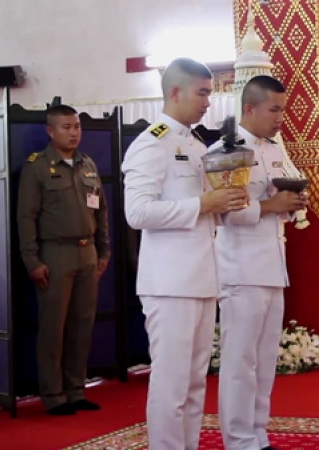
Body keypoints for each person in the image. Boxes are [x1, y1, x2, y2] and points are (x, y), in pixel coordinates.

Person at [121, 57, 248, 450]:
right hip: (170, 281)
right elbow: (137, 213)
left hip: (201, 276)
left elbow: (202, 208)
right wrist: (203, 204)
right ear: (175, 92)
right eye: (203, 92)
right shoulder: (151, 142)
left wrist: (223, 205)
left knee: (194, 383)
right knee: (171, 383)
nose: (209, 102)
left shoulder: (195, 143)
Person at [211, 75, 307, 450]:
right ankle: (238, 439)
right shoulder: (228, 150)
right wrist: (272, 206)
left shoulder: (273, 149)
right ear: (249, 109)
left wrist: (291, 203)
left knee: (265, 360)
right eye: (274, 109)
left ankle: (258, 433)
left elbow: (278, 194)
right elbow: (225, 211)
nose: (281, 117)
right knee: (240, 362)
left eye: (282, 108)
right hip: (240, 268)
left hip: (271, 265)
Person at [16, 104, 111, 415]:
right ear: (50, 131)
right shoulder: (38, 167)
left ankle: (76, 390)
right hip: (54, 254)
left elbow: (101, 211)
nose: (73, 133)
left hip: (87, 253)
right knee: (53, 329)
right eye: (66, 127)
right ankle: (54, 395)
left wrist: (104, 250)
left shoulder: (88, 164)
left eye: (77, 127)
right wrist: (32, 260)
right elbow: (26, 217)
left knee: (82, 326)